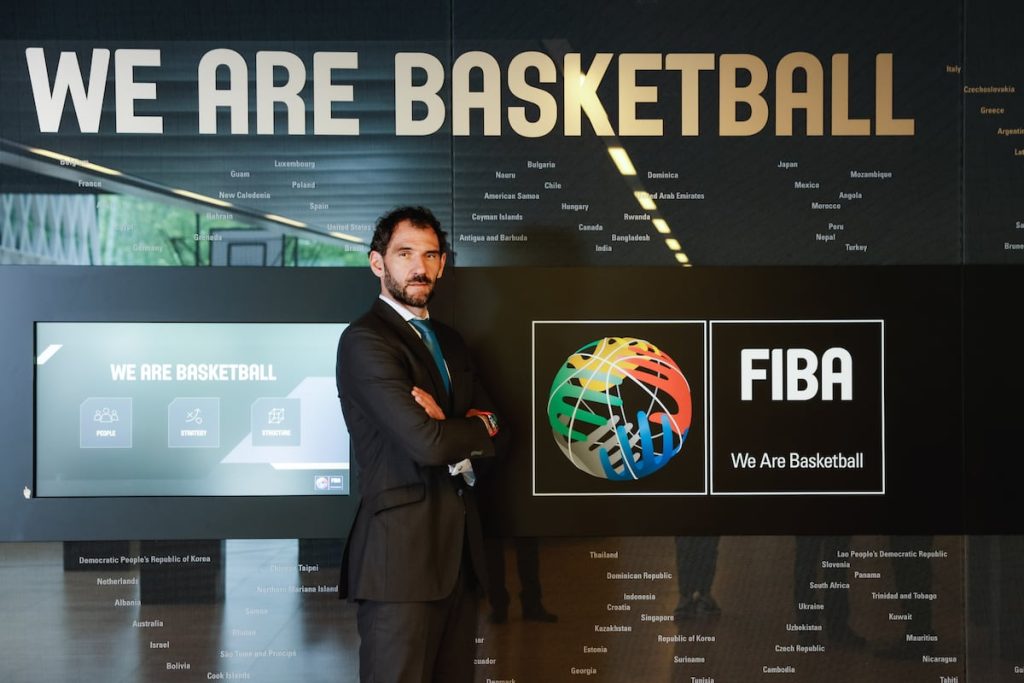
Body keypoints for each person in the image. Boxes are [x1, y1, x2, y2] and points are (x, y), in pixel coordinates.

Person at [336, 206, 501, 683]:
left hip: (459, 564)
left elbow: (499, 427)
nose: (419, 267)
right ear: (377, 263)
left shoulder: (450, 341)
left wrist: (453, 424)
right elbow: (427, 444)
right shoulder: (365, 341)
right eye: (405, 253)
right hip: (399, 568)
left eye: (430, 255)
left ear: (443, 264)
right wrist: (471, 427)